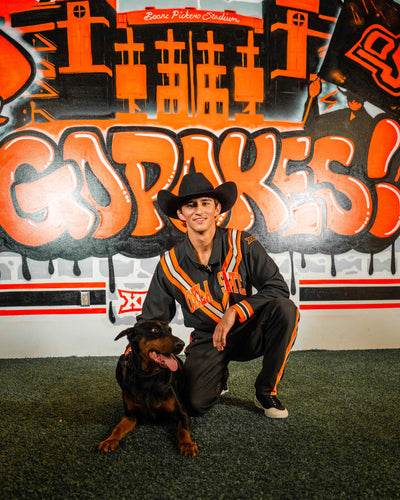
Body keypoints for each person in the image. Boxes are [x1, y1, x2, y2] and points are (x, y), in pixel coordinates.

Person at [137, 172, 299, 418]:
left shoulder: (242, 242)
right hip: (208, 339)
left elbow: (277, 288)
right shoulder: (169, 265)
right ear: (180, 214)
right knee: (193, 404)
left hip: (248, 330)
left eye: (205, 203)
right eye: (190, 205)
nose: (199, 211)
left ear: (217, 208)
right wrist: (134, 350)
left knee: (285, 309)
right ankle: (218, 376)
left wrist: (235, 310)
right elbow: (152, 318)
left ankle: (265, 391)